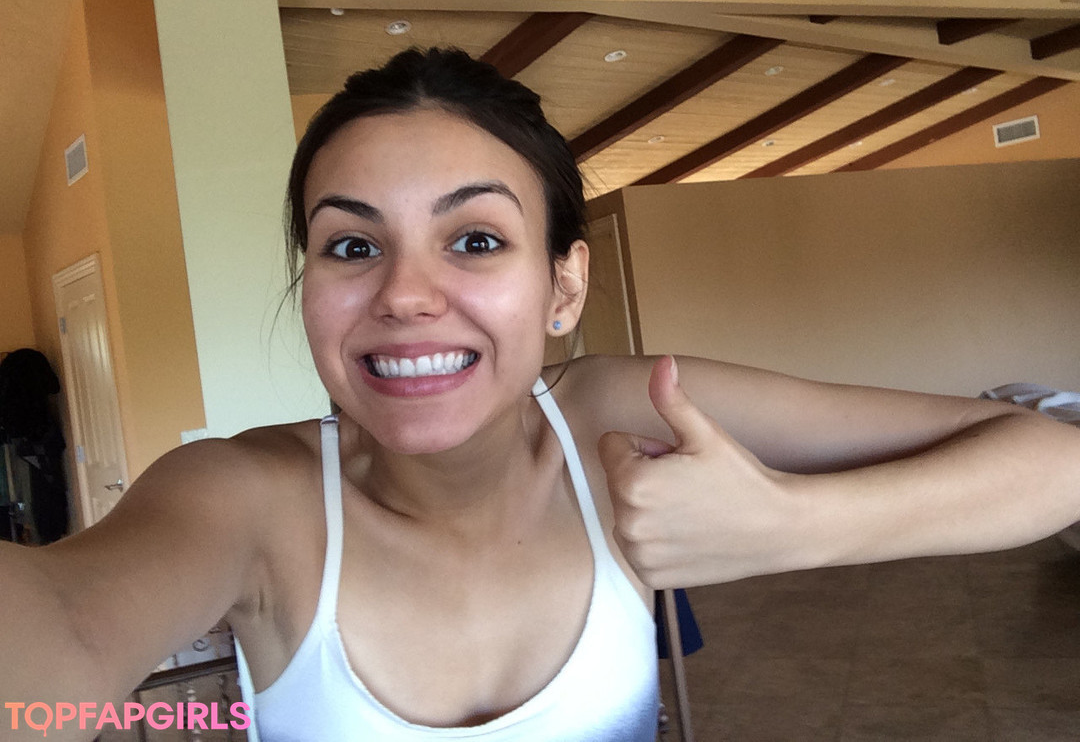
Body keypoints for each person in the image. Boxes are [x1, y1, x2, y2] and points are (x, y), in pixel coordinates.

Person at [2, 47, 1079, 741]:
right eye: (352, 245)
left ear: (565, 285)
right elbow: (56, 631)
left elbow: (1053, 458)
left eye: (475, 239)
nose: (404, 295)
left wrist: (795, 525)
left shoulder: (619, 415)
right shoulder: (244, 498)